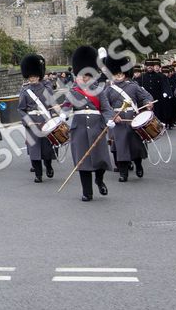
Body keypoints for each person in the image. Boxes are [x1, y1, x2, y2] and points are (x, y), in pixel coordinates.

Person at [63, 47, 111, 202]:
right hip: (80, 129)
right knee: (82, 161)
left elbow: (106, 108)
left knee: (100, 160)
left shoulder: (99, 90)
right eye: (82, 76)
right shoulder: (73, 91)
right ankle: (87, 192)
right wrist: (63, 114)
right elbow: (66, 105)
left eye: (87, 76)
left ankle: (99, 179)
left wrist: (109, 119)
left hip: (97, 127)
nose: (84, 79)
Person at [101, 53, 154, 182]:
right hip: (118, 121)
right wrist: (113, 116)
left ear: (125, 73)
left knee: (135, 145)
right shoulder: (108, 90)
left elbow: (146, 96)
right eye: (116, 74)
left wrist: (148, 103)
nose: (118, 76)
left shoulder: (133, 86)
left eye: (120, 74)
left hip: (133, 119)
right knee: (121, 147)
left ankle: (139, 165)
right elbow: (105, 107)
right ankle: (123, 173)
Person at [18, 53, 56, 183]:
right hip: (31, 122)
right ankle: (38, 174)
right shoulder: (25, 90)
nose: (32, 78)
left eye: (34, 76)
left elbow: (51, 102)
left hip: (45, 121)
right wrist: (27, 122)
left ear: (38, 76)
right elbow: (21, 109)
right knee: (34, 150)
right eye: (30, 76)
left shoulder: (46, 88)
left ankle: (49, 166)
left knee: (46, 148)